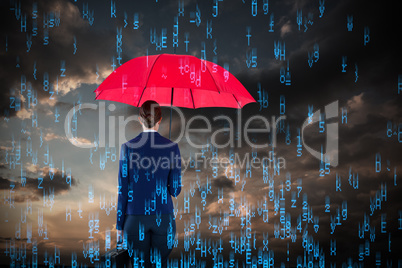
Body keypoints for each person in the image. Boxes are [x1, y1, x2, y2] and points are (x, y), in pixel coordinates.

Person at [116, 100, 182, 268]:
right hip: (164, 217)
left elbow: (123, 190)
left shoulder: (127, 147)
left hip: (134, 219)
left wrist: (119, 224)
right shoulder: (172, 147)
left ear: (140, 119)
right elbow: (175, 190)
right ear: (160, 120)